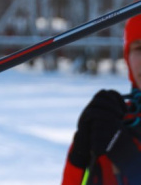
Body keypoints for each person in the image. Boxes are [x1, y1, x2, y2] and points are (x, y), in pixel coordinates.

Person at [61, 14, 141, 184]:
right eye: (139, 48)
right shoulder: (109, 122)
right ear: (127, 58)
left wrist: (129, 160)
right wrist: (80, 154)